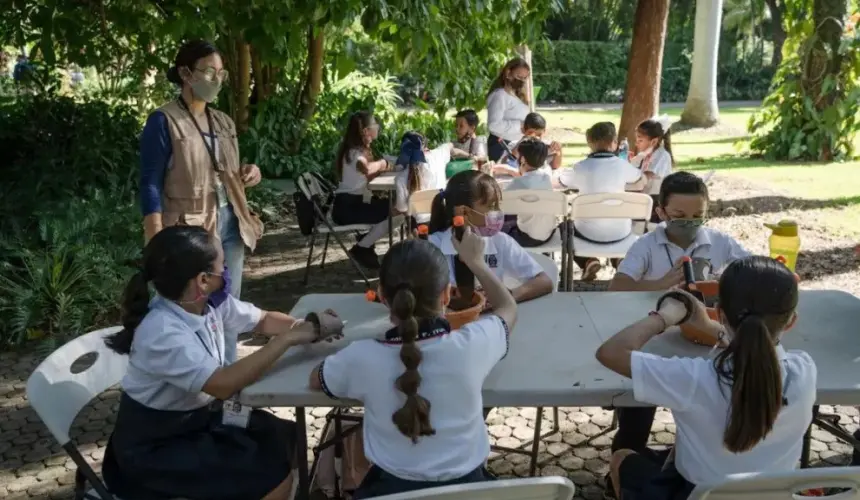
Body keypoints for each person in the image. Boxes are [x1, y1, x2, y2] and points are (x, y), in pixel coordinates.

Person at [101, 225, 342, 500]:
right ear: (203, 279)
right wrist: (286, 340)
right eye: (222, 265)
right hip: (157, 449)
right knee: (270, 474)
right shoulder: (163, 331)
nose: (226, 271)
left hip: (198, 421)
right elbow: (223, 384)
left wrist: (309, 326)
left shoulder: (208, 302)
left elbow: (262, 320)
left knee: (283, 435)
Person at [309, 232, 516, 498]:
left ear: (381, 295)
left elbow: (316, 379)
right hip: (471, 490)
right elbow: (508, 308)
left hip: (388, 492)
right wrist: (475, 261)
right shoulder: (473, 344)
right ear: (447, 295)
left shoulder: (360, 356)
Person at [596, 256, 815, 499]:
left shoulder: (694, 378)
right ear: (791, 321)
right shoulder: (804, 371)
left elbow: (611, 352)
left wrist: (664, 316)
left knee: (623, 458)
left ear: (720, 313)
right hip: (773, 494)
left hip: (695, 494)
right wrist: (709, 327)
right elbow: (755, 351)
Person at [604, 171, 749, 496]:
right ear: (661, 213)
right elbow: (616, 287)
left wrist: (721, 285)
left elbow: (752, 272)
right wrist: (660, 284)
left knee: (715, 412)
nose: (689, 223)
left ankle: (688, 464)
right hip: (653, 343)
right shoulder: (647, 245)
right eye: (679, 217)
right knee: (637, 414)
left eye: (697, 216)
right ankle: (621, 474)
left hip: (710, 343)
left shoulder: (719, 242)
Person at [139, 40, 262, 300]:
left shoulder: (223, 121)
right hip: (191, 229)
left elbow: (222, 169)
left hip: (232, 220)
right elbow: (150, 183)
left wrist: (249, 172)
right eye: (208, 72)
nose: (215, 80)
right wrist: (156, 242)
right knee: (190, 304)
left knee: (229, 305)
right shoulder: (163, 121)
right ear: (185, 74)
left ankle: (226, 343)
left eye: (220, 74)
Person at [428, 170, 554, 301]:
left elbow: (544, 281)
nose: (498, 212)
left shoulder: (500, 241)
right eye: (492, 206)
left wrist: (507, 296)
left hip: (493, 318)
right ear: (464, 211)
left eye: (498, 205)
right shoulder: (432, 247)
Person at [557, 122, 645, 281]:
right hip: (621, 233)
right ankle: (619, 261)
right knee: (615, 221)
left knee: (563, 227)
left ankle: (588, 261)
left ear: (590, 143)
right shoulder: (623, 166)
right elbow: (640, 179)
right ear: (615, 143)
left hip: (587, 234)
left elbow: (562, 181)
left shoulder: (580, 167)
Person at [331, 111, 398, 270]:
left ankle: (366, 245)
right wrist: (382, 164)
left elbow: (368, 177)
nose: (378, 127)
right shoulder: (355, 153)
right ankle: (363, 247)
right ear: (366, 131)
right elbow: (366, 168)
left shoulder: (356, 150)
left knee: (392, 207)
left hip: (351, 204)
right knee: (397, 211)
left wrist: (388, 168)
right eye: (375, 125)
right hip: (347, 208)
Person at [502, 138, 558, 248]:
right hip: (548, 234)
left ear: (522, 159)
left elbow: (500, 204)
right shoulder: (546, 177)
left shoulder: (519, 182)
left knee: (496, 227)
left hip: (526, 237)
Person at [393, 132, 446, 226]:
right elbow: (450, 146)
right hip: (443, 219)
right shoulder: (438, 156)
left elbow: (402, 209)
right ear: (425, 147)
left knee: (400, 210)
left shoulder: (400, 179)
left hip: (419, 226)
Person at [486, 58, 531, 162]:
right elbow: (493, 125)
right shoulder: (500, 95)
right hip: (501, 145)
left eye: (524, 78)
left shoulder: (516, 95)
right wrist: (521, 125)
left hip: (516, 144)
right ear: (508, 73)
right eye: (519, 76)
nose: (522, 81)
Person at [630, 117, 674, 221]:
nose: (636, 143)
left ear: (654, 141)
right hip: (647, 197)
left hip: (656, 202)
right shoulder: (647, 154)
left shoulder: (661, 155)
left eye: (640, 140)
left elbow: (648, 176)